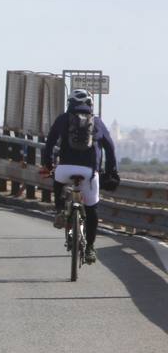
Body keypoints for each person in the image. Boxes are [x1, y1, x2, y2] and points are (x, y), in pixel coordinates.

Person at [41, 89, 119, 263]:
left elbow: (50, 143)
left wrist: (48, 165)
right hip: (89, 173)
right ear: (91, 105)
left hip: (65, 170)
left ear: (70, 103)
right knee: (91, 210)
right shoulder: (97, 122)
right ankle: (90, 248)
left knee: (58, 180)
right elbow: (110, 148)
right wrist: (112, 170)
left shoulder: (62, 119)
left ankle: (60, 209)